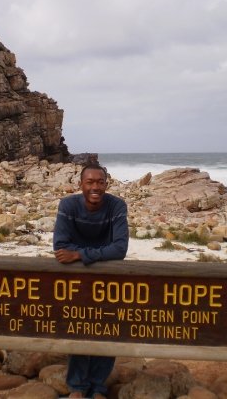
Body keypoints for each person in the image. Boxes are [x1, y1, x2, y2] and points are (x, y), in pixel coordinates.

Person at [53, 163, 129, 399]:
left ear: (106, 184)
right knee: (79, 327)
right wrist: (97, 254)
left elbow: (120, 248)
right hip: (78, 280)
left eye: (100, 182)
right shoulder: (68, 205)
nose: (95, 187)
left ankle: (97, 387)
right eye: (90, 182)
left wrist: (79, 255)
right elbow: (59, 247)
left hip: (108, 278)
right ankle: (77, 387)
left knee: (108, 328)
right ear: (81, 184)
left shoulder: (117, 206)